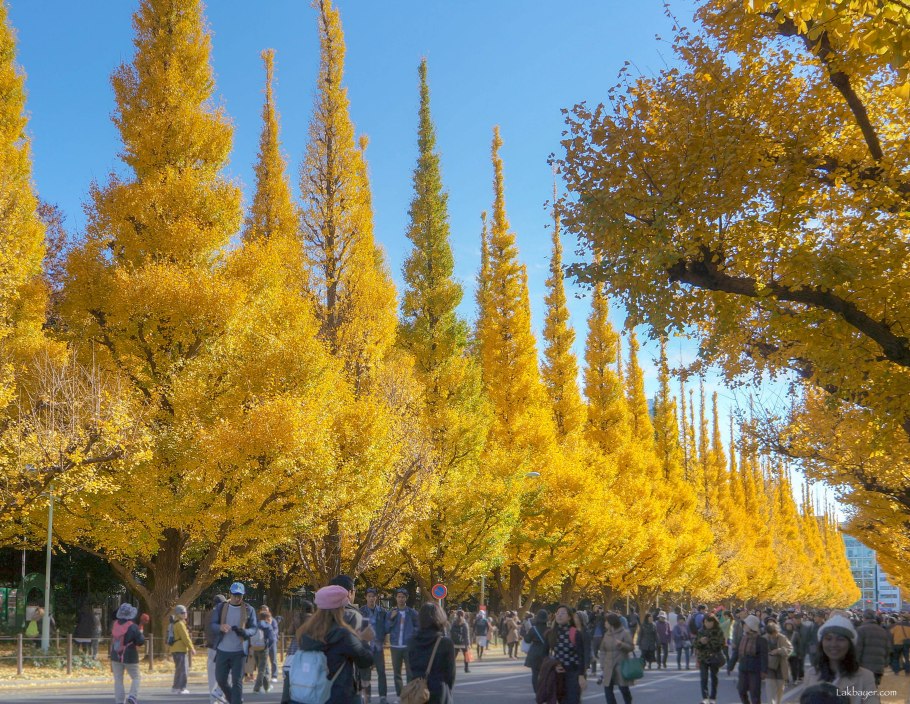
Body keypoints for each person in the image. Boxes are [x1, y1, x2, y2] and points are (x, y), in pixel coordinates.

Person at [294, 585, 374, 704]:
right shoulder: (343, 635)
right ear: (340, 608)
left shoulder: (304, 633)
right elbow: (366, 661)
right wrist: (364, 640)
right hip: (340, 695)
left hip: (310, 694)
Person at [806, 614, 880, 704]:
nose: (833, 644)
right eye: (828, 639)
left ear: (850, 645)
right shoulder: (811, 674)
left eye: (840, 639)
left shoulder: (865, 677)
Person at [211, 581, 258, 704]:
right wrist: (220, 627)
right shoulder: (221, 607)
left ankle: (235, 701)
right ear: (230, 594)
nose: (237, 598)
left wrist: (244, 632)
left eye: (240, 595)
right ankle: (232, 699)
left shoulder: (249, 609)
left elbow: (254, 628)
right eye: (235, 595)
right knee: (220, 679)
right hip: (222, 650)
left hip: (239, 651)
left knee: (237, 681)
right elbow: (213, 625)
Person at [407, 603, 456, 704]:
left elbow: (411, 667)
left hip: (418, 691)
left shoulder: (412, 641)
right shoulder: (445, 643)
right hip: (439, 691)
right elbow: (450, 674)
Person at [543, 605, 589, 704]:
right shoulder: (551, 633)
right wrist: (554, 665)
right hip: (559, 674)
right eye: (558, 613)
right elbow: (545, 654)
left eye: (563, 613)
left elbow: (581, 656)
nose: (559, 615)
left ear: (569, 617)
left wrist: (581, 676)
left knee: (573, 700)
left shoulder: (575, 633)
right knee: (562, 701)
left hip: (573, 673)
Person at [110, 602, 146, 704]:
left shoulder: (115, 624)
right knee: (136, 677)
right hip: (130, 655)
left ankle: (119, 701)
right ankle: (132, 696)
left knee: (118, 680)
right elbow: (140, 641)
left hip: (115, 655)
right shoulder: (132, 626)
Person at [387, 587, 419, 698]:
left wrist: (412, 635)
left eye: (403, 597)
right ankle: (400, 696)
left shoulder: (412, 613)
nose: (401, 599)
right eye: (399, 597)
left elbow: (418, 628)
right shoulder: (391, 613)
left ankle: (409, 694)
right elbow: (386, 629)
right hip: (395, 646)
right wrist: (391, 619)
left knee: (410, 673)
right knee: (397, 673)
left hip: (408, 647)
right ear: (396, 598)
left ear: (406, 598)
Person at [360, 588, 389, 704]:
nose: (372, 598)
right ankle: (368, 698)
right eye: (369, 596)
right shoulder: (361, 611)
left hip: (378, 647)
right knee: (366, 674)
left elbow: (387, 628)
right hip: (365, 648)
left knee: (381, 672)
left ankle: (383, 697)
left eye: (373, 596)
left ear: (376, 597)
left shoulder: (383, 611)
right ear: (366, 597)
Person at [598, 612, 634, 704]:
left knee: (623, 689)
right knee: (608, 690)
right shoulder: (606, 634)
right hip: (608, 666)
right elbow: (602, 651)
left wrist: (622, 645)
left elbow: (631, 647)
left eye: (606, 622)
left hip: (621, 665)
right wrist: (602, 664)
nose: (605, 624)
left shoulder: (624, 633)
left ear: (611, 622)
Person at [733, 615, 767, 704]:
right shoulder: (742, 638)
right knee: (741, 690)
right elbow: (736, 653)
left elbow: (764, 657)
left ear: (751, 626)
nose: (743, 626)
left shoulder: (761, 640)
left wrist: (764, 671)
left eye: (745, 624)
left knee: (755, 694)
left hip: (755, 670)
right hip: (743, 669)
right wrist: (730, 665)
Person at [694, 613, 726, 704]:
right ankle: (705, 698)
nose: (708, 624)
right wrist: (700, 642)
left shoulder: (718, 631)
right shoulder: (701, 631)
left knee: (714, 677)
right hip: (703, 657)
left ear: (714, 622)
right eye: (706, 622)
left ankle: (713, 697)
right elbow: (695, 644)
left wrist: (709, 641)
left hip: (714, 657)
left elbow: (722, 644)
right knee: (703, 678)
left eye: (710, 622)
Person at [855, 610, 890, 686]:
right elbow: (887, 648)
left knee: (863, 690)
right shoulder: (883, 631)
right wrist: (885, 663)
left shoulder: (860, 630)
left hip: (864, 667)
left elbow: (858, 649)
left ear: (864, 618)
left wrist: (855, 664)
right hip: (879, 666)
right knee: (874, 688)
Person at [205, 595, 228, 704]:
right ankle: (220, 696)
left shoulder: (209, 614)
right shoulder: (221, 614)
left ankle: (213, 700)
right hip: (220, 647)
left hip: (210, 647)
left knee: (212, 676)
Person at [169, 604, 196, 695]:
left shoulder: (175, 623)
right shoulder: (180, 624)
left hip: (174, 649)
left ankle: (175, 687)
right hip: (180, 649)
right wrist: (191, 648)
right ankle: (182, 688)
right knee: (183, 670)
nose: (185, 614)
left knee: (179, 669)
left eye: (185, 612)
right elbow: (185, 637)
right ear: (177, 614)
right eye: (182, 613)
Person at [765, 620, 793, 704]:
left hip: (780, 666)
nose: (773, 635)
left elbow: (790, 649)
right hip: (769, 667)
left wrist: (779, 650)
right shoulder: (764, 638)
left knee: (780, 689)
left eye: (774, 633)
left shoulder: (782, 638)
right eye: (771, 634)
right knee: (770, 689)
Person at [522, 609, 549, 694]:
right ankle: (544, 691)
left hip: (534, 652)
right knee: (545, 674)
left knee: (535, 674)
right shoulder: (549, 629)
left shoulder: (533, 629)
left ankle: (537, 692)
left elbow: (527, 640)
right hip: (545, 652)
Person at [252, 606, 276, 693]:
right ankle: (256, 688)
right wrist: (267, 646)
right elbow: (272, 639)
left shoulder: (256, 625)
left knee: (262, 667)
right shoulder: (267, 626)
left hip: (255, 648)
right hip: (263, 649)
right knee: (262, 669)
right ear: (266, 617)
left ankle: (267, 687)